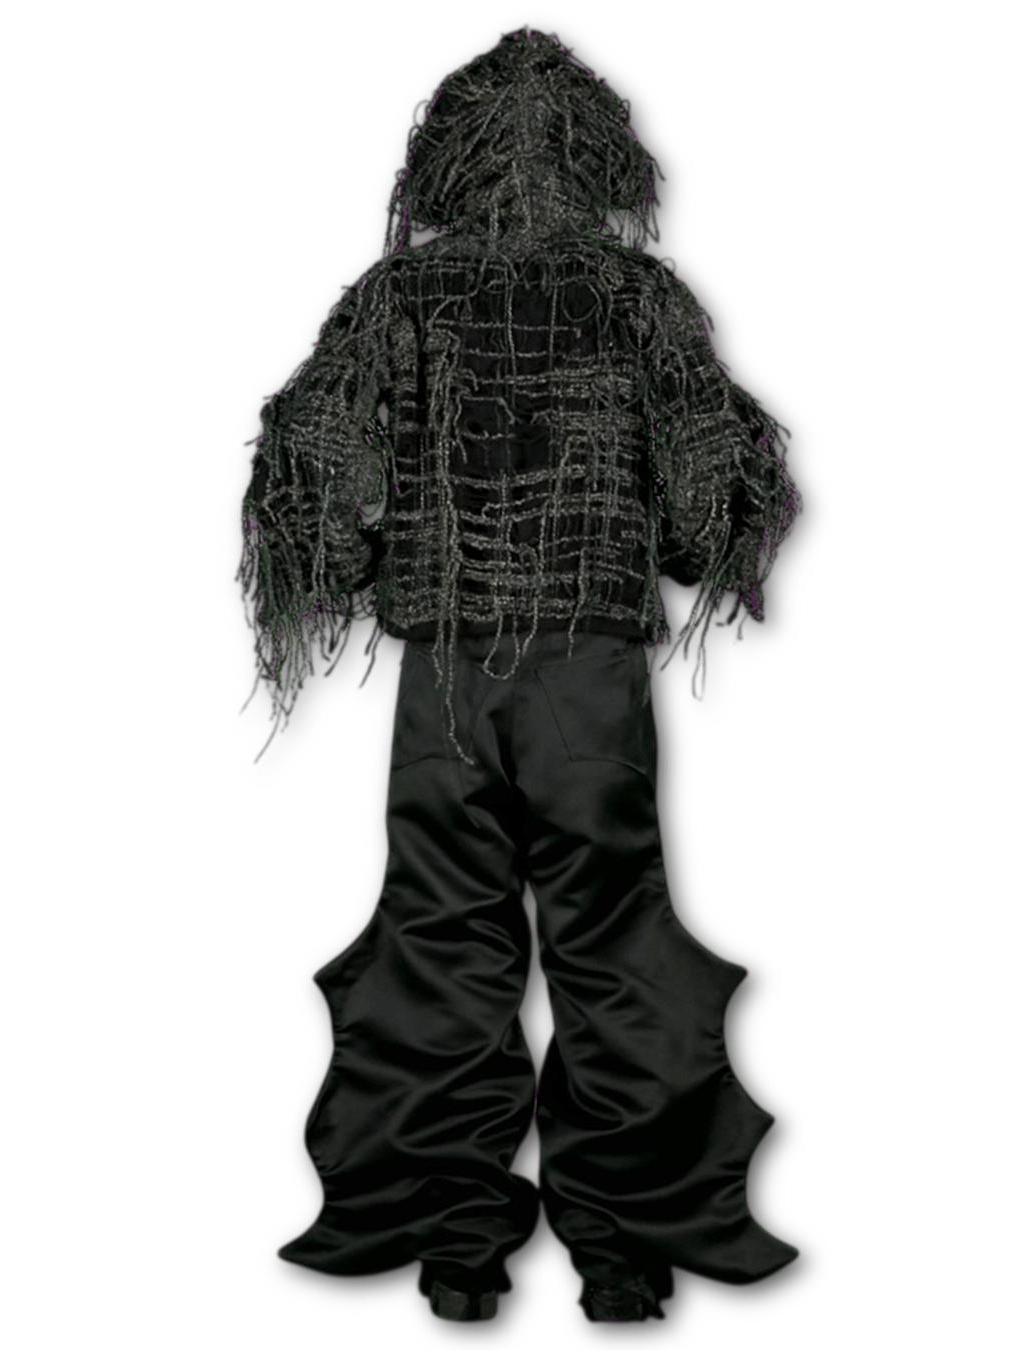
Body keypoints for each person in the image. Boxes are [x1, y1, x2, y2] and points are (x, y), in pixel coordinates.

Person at [237, 26, 801, 1323]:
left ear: (447, 156)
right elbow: (713, 487)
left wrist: (355, 556)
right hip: (588, 678)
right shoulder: (637, 299)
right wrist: (685, 541)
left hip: (446, 676)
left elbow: (309, 460)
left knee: (439, 940)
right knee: (615, 942)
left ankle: (454, 1245)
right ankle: (625, 1249)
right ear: (600, 158)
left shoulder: (399, 300)